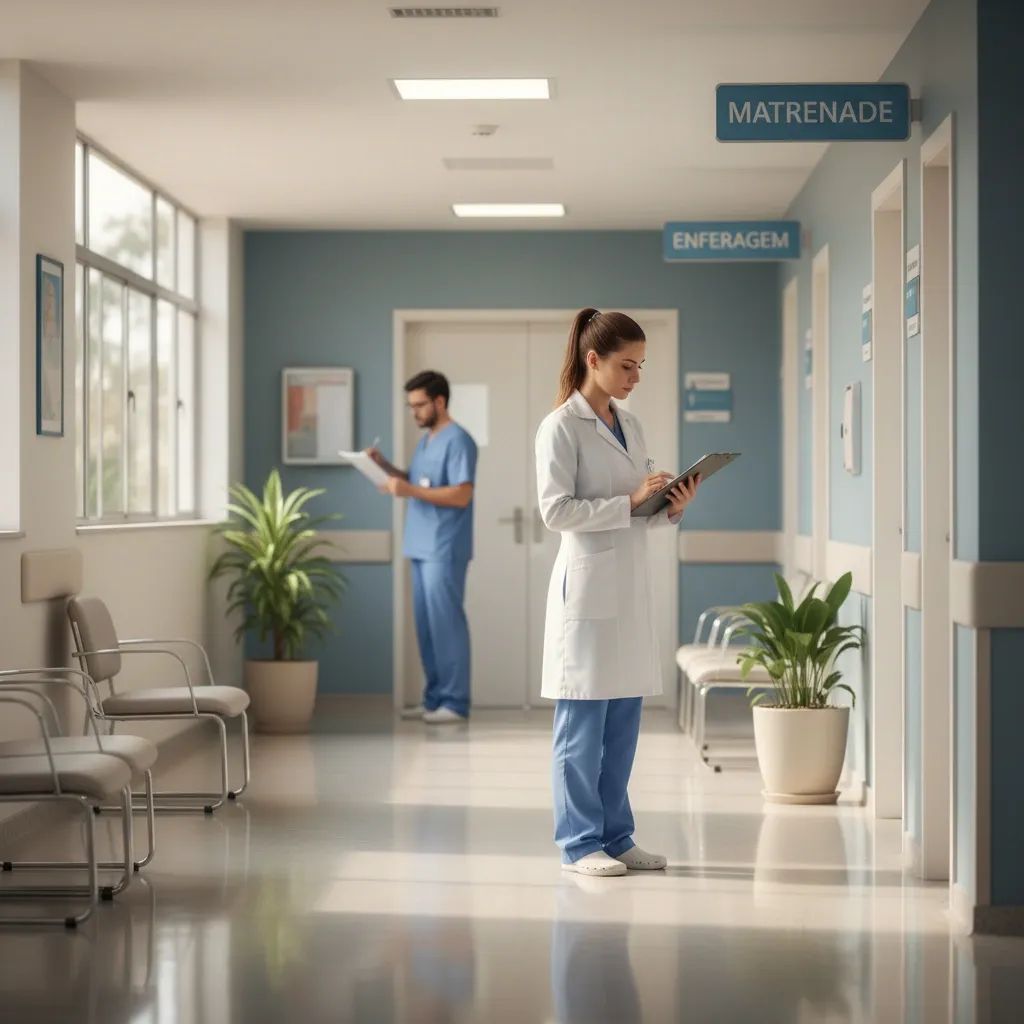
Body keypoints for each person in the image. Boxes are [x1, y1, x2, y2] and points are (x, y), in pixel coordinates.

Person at [535, 308, 701, 876]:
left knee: (623, 724)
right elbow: (555, 511)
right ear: (593, 360)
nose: (635, 376)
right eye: (626, 365)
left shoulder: (631, 425)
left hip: (628, 588)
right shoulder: (559, 427)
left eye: (641, 366)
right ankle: (580, 843)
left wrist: (668, 507)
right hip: (585, 593)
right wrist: (629, 503)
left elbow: (639, 510)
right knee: (582, 727)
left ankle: (617, 834)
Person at [368, 371, 478, 724]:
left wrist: (409, 491)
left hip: (444, 547)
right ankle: (434, 700)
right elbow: (417, 482)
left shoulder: (459, 440)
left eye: (419, 405)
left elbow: (461, 494)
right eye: (411, 406)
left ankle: (455, 702)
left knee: (447, 624)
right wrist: (383, 466)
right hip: (420, 545)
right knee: (427, 627)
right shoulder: (428, 440)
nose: (414, 412)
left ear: (439, 402)